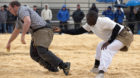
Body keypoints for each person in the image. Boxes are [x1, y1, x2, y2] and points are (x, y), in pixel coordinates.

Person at [54, 11, 133, 78]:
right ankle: (96, 67)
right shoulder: (89, 24)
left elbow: (117, 28)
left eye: (89, 19)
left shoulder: (103, 21)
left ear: (95, 18)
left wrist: (109, 42)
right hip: (115, 37)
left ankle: (101, 72)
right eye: (87, 18)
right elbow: (77, 31)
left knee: (107, 48)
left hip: (124, 35)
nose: (88, 20)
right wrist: (62, 30)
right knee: (100, 45)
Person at [6, 1, 70, 75]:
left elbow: (28, 21)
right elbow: (15, 31)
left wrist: (23, 35)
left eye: (10, 9)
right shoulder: (19, 19)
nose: (9, 11)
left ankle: (64, 65)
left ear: (15, 6)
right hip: (36, 33)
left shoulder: (22, 9)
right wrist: (9, 42)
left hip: (43, 30)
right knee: (34, 54)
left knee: (42, 51)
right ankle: (52, 68)